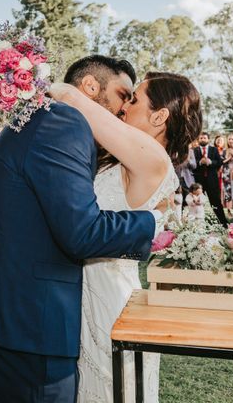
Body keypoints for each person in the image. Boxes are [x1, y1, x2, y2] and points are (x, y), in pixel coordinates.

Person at [0, 55, 163, 403]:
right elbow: (81, 232)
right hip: (29, 325)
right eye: (121, 94)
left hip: (8, 318)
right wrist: (153, 222)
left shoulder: (40, 118)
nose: (123, 109)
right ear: (89, 87)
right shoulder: (65, 123)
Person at [49, 70, 201, 403]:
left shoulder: (154, 161)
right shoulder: (119, 159)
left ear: (159, 116)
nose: (124, 106)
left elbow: (73, 99)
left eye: (134, 98)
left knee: (111, 389)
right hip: (86, 290)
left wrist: (33, 80)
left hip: (111, 300)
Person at [193, 132, 228, 226]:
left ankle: (223, 222)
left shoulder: (214, 150)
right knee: (198, 202)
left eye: (204, 138)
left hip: (212, 180)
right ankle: (198, 223)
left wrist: (211, 162)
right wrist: (199, 162)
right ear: (198, 140)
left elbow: (220, 162)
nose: (203, 139)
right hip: (199, 181)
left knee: (216, 201)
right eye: (201, 138)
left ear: (208, 139)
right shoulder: (194, 150)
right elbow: (191, 164)